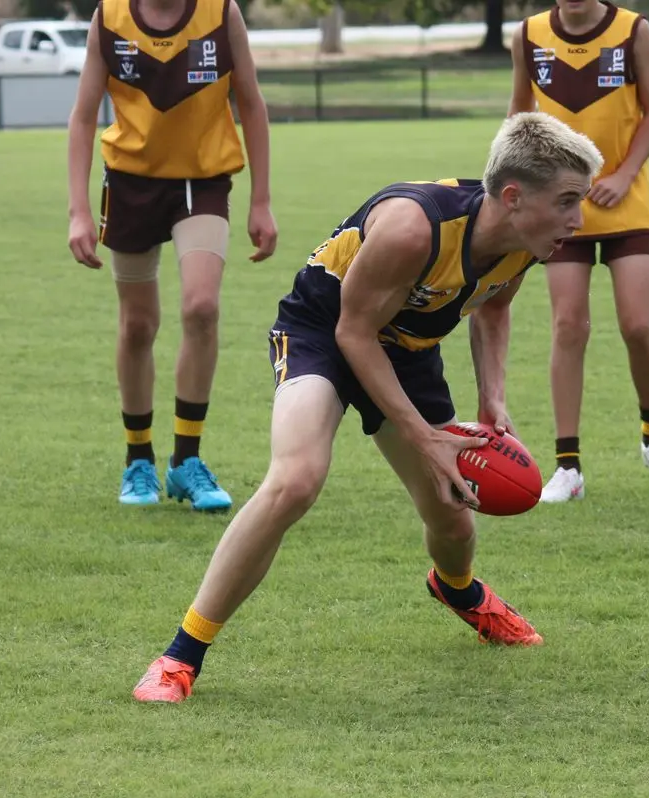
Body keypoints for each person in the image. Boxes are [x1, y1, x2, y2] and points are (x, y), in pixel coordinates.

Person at [130, 112, 604, 703]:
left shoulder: (527, 239)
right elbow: (353, 334)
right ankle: (180, 656)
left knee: (455, 519)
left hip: (405, 348)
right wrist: (425, 438)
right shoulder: (413, 228)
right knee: (296, 480)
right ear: (512, 196)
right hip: (322, 334)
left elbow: (492, 307)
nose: (577, 219)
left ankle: (458, 590)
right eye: (566, 201)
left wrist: (492, 399)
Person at [66, 0, 277, 513]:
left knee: (201, 307)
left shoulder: (221, 13)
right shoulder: (109, 17)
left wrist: (261, 201)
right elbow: (83, 116)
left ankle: (186, 460)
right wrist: (77, 211)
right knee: (138, 326)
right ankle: (138, 457)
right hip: (131, 183)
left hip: (201, 182)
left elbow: (250, 102)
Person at [509, 0, 649, 502]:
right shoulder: (529, 34)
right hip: (557, 205)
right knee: (568, 327)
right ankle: (568, 466)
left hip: (623, 199)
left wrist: (625, 173)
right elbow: (520, 115)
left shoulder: (633, 31)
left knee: (638, 325)